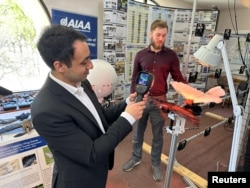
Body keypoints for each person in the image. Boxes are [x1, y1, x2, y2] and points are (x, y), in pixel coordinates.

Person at [30, 24, 147, 188]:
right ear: (60, 66)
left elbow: (99, 118)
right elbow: (92, 153)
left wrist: (126, 104)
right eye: (84, 62)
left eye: (89, 59)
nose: (91, 66)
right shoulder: (46, 111)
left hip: (98, 174)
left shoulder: (82, 82)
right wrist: (128, 118)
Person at [122, 19, 188, 181]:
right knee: (137, 133)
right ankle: (136, 157)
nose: (161, 39)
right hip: (141, 99)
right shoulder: (140, 55)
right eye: (158, 35)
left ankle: (156, 164)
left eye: (164, 36)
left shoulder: (171, 56)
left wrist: (190, 92)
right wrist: (133, 96)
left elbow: (178, 77)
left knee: (158, 136)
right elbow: (134, 79)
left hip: (159, 101)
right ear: (151, 34)